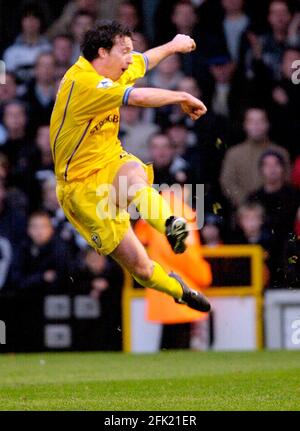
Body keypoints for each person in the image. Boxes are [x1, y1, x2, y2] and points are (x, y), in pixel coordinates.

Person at [50, 20, 210, 313]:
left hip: (111, 160)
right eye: (124, 51)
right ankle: (179, 289)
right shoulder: (83, 83)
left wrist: (174, 45)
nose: (130, 58)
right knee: (142, 269)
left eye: (130, 51)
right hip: (81, 188)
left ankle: (170, 225)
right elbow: (136, 97)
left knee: (135, 181)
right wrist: (182, 96)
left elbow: (145, 61)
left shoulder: (113, 68)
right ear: (102, 52)